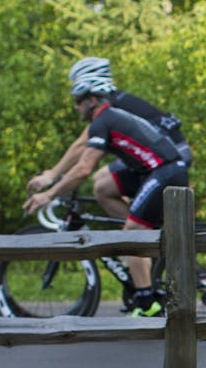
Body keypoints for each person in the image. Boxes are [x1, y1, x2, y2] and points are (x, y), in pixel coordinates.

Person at [23, 74, 189, 317]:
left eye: (78, 101)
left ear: (91, 100)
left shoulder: (104, 120)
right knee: (102, 187)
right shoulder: (104, 119)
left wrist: (48, 195)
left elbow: (82, 169)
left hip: (167, 171)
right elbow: (80, 154)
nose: (75, 107)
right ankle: (144, 245)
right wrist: (55, 175)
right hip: (151, 171)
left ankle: (146, 304)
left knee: (133, 232)